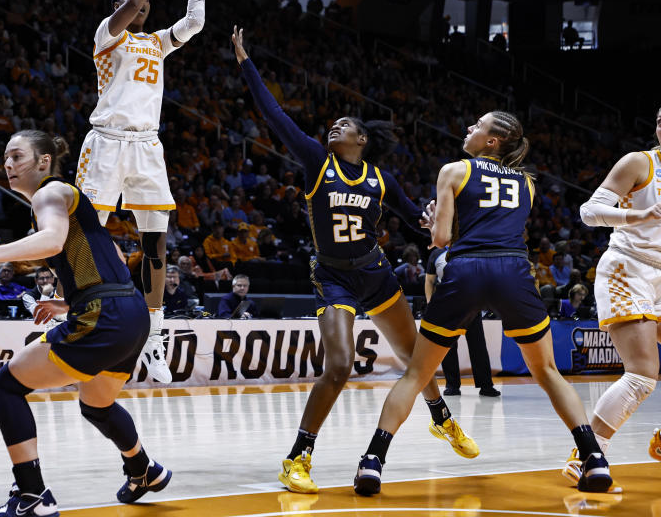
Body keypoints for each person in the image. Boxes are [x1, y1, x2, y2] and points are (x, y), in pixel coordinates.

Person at [232, 26, 475, 495]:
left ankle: (441, 419)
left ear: (360, 139)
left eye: (343, 124)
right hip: (332, 277)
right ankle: (297, 458)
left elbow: (415, 218)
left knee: (414, 358)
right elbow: (274, 114)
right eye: (332, 125)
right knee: (339, 365)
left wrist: (428, 219)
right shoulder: (315, 160)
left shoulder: (380, 179)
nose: (333, 127)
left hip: (376, 275)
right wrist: (246, 60)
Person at [352, 111, 611, 496]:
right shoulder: (527, 182)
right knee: (547, 372)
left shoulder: (454, 171)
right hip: (513, 270)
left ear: (493, 141)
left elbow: (440, 239)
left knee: (416, 375)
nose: (469, 129)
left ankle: (373, 462)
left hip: (467, 269)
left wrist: (434, 221)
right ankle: (594, 457)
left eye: (478, 126)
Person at [0, 130, 170, 516]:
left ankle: (32, 497)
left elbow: (52, 241)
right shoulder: (66, 200)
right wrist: (67, 302)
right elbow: (108, 251)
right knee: (97, 403)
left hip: (106, 315)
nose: (7, 164)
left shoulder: (50, 193)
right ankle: (143, 468)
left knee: (6, 386)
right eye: (5, 158)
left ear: (43, 161)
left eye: (16, 156)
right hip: (130, 311)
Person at [74, 0, 206, 384]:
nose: (142, 7)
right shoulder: (106, 35)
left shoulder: (155, 43)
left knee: (156, 241)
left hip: (147, 147)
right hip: (106, 143)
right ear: (119, 5)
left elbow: (194, 24)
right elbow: (131, 5)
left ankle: (153, 339)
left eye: (147, 3)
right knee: (86, 235)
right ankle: (82, 320)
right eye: (134, 1)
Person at [562, 107, 661, 485]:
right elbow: (589, 211)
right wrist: (636, 216)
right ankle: (585, 455)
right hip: (628, 267)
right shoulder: (639, 163)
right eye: (658, 121)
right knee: (641, 375)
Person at [425, 246, 499, 397]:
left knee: (478, 345)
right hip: (446, 305)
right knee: (447, 347)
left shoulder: (470, 248)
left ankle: (486, 385)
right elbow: (429, 280)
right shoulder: (436, 253)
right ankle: (452, 385)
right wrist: (430, 304)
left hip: (471, 304)